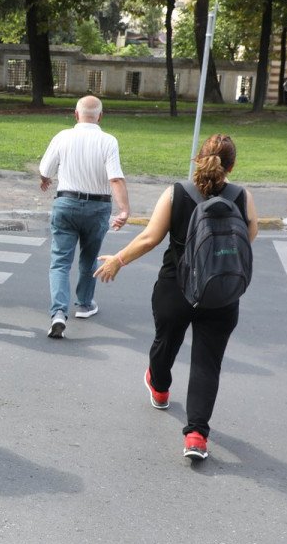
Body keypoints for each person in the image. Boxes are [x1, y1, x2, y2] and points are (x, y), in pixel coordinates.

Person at [93, 134, 258, 461]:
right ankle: (196, 435)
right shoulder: (242, 197)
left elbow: (150, 238)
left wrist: (118, 260)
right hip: (221, 293)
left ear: (198, 158)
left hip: (176, 288)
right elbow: (247, 237)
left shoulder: (176, 193)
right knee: (207, 363)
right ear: (232, 165)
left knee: (165, 343)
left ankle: (159, 386)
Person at [38, 95, 130, 338]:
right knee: (89, 258)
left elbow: (45, 169)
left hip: (66, 203)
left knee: (60, 261)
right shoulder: (108, 141)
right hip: (97, 207)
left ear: (76, 114)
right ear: (100, 117)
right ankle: (84, 304)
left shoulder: (62, 136)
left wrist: (45, 179)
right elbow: (115, 178)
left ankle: (58, 312)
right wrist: (124, 210)